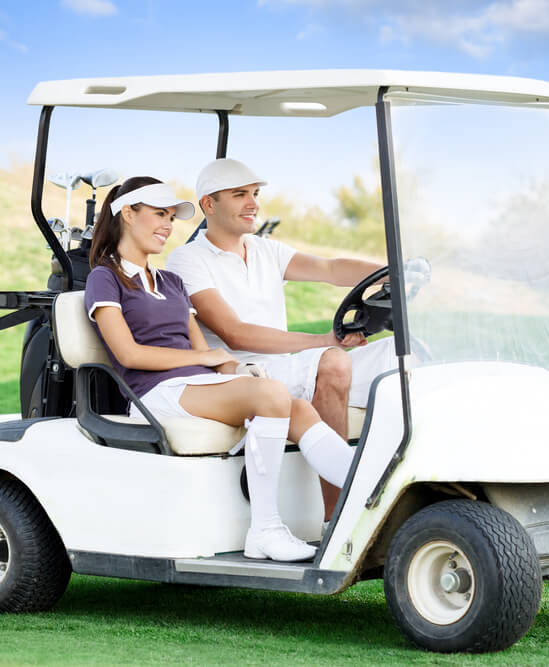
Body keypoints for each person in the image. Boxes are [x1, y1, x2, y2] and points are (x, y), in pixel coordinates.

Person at [84, 176, 355, 562]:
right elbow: (128, 354)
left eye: (171, 217)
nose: (167, 225)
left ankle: (371, 492)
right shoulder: (105, 278)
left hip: (197, 387)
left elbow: (205, 351)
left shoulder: (171, 281)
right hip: (153, 395)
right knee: (273, 394)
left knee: (299, 408)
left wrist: (235, 368)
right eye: (159, 214)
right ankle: (264, 531)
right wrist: (206, 360)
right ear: (128, 213)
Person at [165, 159, 399, 521]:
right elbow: (234, 332)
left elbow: (330, 269)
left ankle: (417, 490)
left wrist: (394, 271)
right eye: (240, 194)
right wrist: (324, 341)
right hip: (245, 374)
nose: (253, 203)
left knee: (405, 358)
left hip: (290, 364)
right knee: (333, 362)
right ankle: (336, 520)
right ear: (209, 204)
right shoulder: (187, 259)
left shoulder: (264, 250)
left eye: (255, 194)